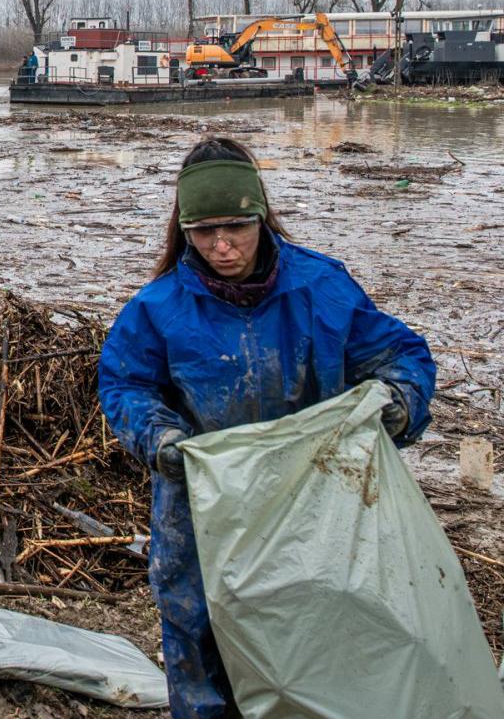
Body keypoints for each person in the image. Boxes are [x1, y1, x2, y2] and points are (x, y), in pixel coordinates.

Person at [97, 138, 435, 718]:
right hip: (202, 505)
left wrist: (401, 400)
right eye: (204, 232)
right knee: (198, 630)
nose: (222, 246)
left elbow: (398, 354)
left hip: (312, 502)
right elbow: (126, 385)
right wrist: (160, 439)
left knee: (314, 627)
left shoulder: (321, 289)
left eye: (235, 228)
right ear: (185, 229)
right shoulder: (158, 308)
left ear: (260, 216)